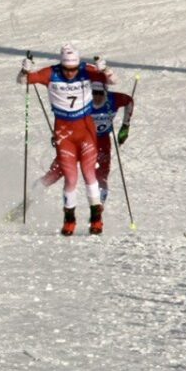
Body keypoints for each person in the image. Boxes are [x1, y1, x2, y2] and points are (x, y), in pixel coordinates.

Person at [19, 44, 115, 235]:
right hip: (65, 136)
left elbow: (112, 81)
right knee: (70, 178)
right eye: (66, 69)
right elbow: (23, 81)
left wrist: (105, 70)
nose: (70, 73)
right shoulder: (51, 73)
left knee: (89, 175)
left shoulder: (85, 71)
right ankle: (69, 220)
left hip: (87, 133)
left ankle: (96, 219)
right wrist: (25, 69)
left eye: (73, 69)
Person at [37, 80, 134, 204]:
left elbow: (129, 101)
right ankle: (29, 197)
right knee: (57, 171)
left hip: (101, 141)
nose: (97, 97)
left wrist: (125, 126)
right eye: (94, 93)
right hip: (78, 140)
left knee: (101, 177)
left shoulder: (113, 100)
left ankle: (97, 211)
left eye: (100, 93)